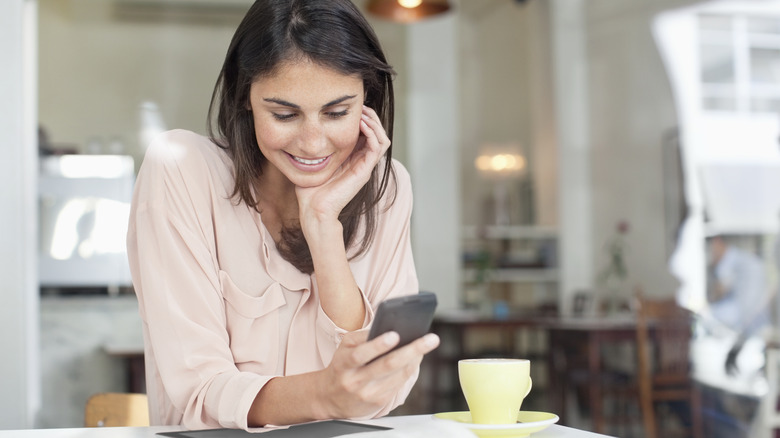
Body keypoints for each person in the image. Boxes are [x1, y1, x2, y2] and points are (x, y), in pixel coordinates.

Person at [126, 0, 440, 430]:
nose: (313, 144)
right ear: (245, 100)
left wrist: (324, 226)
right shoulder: (182, 169)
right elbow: (198, 389)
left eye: (337, 112)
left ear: (367, 99)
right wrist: (327, 393)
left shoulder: (387, 187)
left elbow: (380, 384)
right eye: (284, 114)